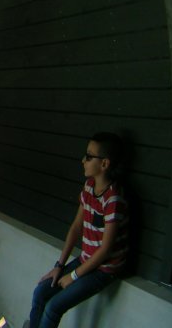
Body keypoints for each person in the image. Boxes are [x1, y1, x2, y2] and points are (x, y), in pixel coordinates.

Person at [28, 132, 129, 328]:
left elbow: (106, 250)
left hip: (104, 269)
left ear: (104, 164)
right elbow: (76, 227)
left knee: (53, 307)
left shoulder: (113, 199)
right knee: (40, 292)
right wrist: (59, 266)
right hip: (86, 259)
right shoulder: (89, 186)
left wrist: (73, 276)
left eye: (89, 156)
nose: (83, 160)